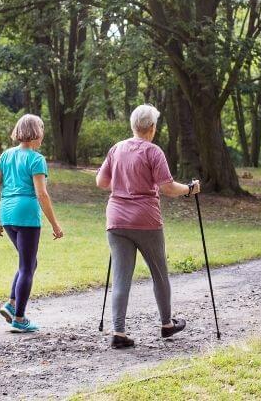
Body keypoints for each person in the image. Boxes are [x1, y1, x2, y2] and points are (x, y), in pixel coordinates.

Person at [96, 104, 200, 349]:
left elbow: (101, 182)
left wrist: (123, 186)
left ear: (134, 126)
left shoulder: (116, 149)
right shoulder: (153, 152)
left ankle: (118, 332)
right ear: (152, 128)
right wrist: (190, 190)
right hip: (146, 221)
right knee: (159, 273)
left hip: (117, 220)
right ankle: (166, 324)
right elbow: (168, 187)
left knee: (121, 277)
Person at [0, 114, 63, 333]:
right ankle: (19, 319)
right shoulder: (36, 159)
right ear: (36, 133)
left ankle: (12, 305)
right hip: (27, 214)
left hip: (7, 213)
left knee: (28, 263)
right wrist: (55, 225)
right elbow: (42, 194)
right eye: (41, 130)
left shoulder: (6, 155)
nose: (43, 135)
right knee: (27, 267)